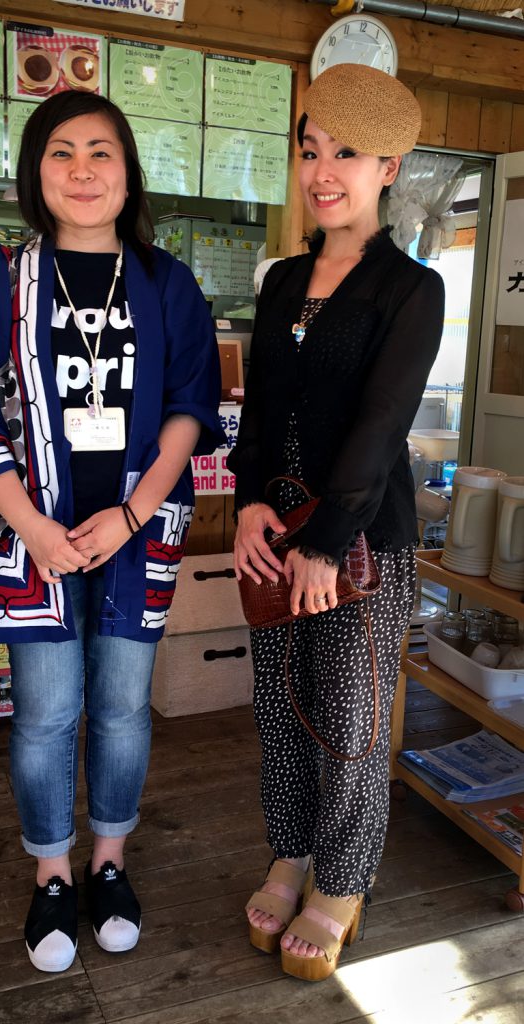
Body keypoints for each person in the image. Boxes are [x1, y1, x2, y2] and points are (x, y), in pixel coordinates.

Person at [0, 91, 223, 973]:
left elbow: (189, 408)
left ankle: (110, 859)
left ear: (128, 171)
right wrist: (36, 529)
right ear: (37, 171)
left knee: (125, 708)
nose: (84, 169)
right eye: (63, 151)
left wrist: (131, 513)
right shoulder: (0, 278)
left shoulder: (167, 281)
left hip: (139, 534)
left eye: (102, 150)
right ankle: (52, 871)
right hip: (33, 540)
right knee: (49, 714)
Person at [227, 64, 445, 983]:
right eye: (312, 149)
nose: (323, 171)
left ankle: (343, 882)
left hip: (359, 543)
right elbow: (262, 401)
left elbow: (381, 424)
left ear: (389, 167)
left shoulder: (411, 287)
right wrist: (245, 503)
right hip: (275, 533)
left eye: (346, 155)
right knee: (279, 712)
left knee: (349, 721)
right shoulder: (281, 282)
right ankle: (289, 853)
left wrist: (323, 542)